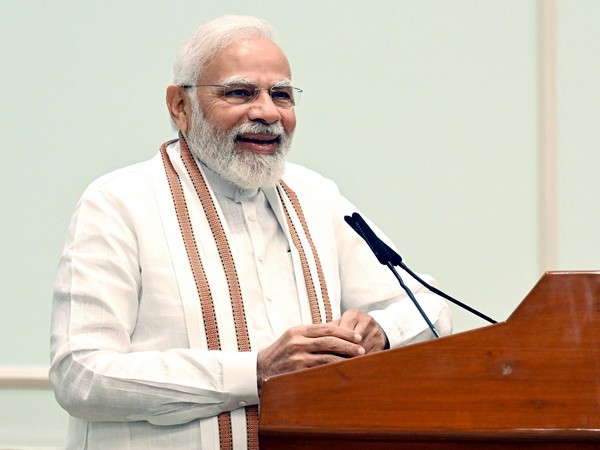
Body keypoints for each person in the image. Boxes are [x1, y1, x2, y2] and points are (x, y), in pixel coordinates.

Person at [50, 15, 451, 450]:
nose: (266, 112)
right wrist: (256, 371)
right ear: (179, 107)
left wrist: (381, 330)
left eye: (281, 95)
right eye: (239, 93)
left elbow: (428, 305)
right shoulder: (118, 201)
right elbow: (81, 374)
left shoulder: (315, 194)